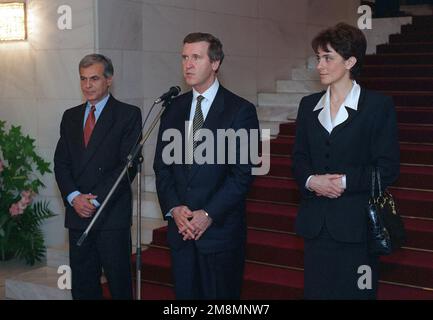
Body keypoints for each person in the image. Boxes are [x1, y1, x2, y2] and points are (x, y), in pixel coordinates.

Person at [292, 23, 400, 299]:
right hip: (316, 227)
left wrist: (343, 181)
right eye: (318, 58)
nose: (320, 65)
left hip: (357, 228)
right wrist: (311, 180)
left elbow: (388, 168)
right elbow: (299, 159)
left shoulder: (378, 106)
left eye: (328, 58)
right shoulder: (308, 105)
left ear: (350, 61)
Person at [153, 32, 259, 299]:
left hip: (220, 235)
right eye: (184, 57)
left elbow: (241, 176)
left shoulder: (239, 110)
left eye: (196, 57)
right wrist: (174, 208)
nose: (188, 64)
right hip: (181, 232)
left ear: (215, 63)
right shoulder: (173, 108)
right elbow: (162, 167)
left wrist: (207, 214)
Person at [54, 54, 142, 299]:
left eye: (94, 78)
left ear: (109, 79)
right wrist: (74, 198)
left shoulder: (128, 114)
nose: (87, 85)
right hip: (77, 214)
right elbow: (61, 162)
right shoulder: (70, 116)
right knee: (83, 286)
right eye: (83, 79)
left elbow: (128, 166)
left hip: (110, 215)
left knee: (119, 284)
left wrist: (93, 200)